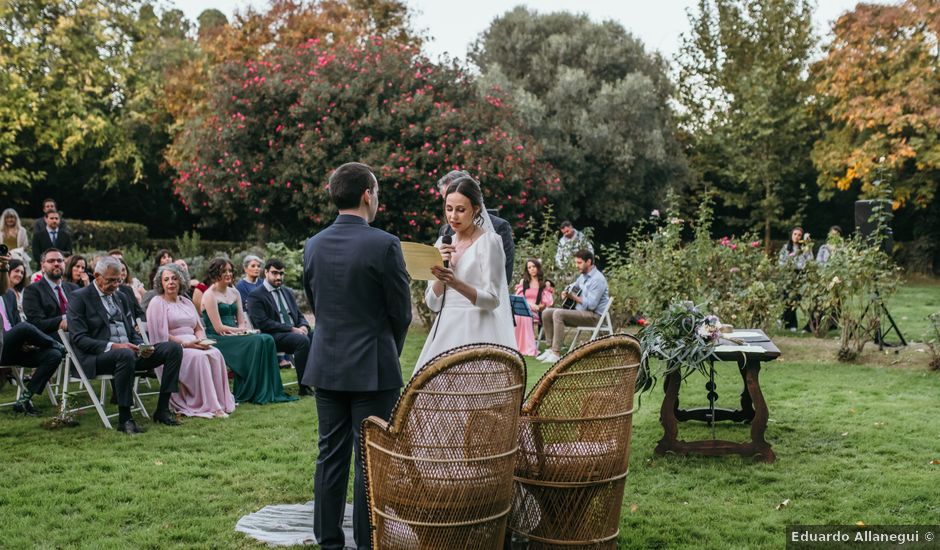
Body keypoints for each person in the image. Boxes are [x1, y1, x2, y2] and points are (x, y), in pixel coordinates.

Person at [302, 162, 412, 550]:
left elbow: (315, 304)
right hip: (372, 367)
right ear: (368, 194)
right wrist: (388, 351)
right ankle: (368, 543)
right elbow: (402, 313)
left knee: (329, 456)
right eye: (377, 192)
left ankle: (328, 542)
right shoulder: (384, 244)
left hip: (326, 364)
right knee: (370, 460)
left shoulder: (312, 244)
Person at [67, 257, 183, 434]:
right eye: (110, 281)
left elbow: (130, 333)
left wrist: (142, 345)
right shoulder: (80, 298)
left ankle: (162, 409)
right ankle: (125, 418)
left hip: (127, 353)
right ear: (96, 276)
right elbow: (79, 339)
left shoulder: (120, 296)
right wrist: (115, 347)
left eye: (118, 280)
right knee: (125, 355)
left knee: (173, 349)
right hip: (97, 358)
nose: (115, 285)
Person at [415, 174, 516, 370]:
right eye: (449, 209)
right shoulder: (442, 244)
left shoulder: (489, 242)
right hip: (446, 330)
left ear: (476, 209)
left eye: (461, 210)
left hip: (479, 329)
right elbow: (433, 303)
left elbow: (493, 300)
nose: (453, 217)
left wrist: (456, 283)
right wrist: (441, 277)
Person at [200, 257, 296, 405]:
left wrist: (244, 330)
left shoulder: (235, 293)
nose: (228, 274)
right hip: (218, 337)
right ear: (215, 273)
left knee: (266, 339)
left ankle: (268, 390)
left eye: (230, 271)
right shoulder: (209, 295)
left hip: (236, 334)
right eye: (223, 271)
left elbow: (241, 320)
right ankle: (250, 390)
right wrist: (241, 332)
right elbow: (218, 328)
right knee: (258, 340)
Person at [146, 264, 235, 418]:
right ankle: (210, 406)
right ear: (161, 283)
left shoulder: (186, 302)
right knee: (199, 358)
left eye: (174, 278)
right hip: (175, 348)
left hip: (196, 343)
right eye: (166, 279)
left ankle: (220, 401)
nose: (170, 282)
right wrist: (186, 344)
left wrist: (201, 340)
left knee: (216, 354)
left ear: (181, 281)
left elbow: (198, 328)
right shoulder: (157, 302)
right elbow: (161, 334)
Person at [436, 170, 515, 286]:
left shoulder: (499, 227)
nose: (453, 216)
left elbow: (504, 277)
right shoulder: (445, 232)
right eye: (447, 201)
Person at [247, 258, 314, 396]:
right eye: (274, 273)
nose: (278, 277)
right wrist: (291, 329)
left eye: (281, 273)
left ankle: (320, 382)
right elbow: (263, 323)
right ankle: (304, 387)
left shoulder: (287, 291)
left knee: (317, 336)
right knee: (302, 341)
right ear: (266, 272)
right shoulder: (256, 295)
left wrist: (304, 326)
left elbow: (298, 314)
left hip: (292, 332)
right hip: (272, 335)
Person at [2, 279, 66, 416]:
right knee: (25, 327)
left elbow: (15, 323)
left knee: (54, 355)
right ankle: (58, 345)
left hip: (13, 348)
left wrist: (23, 342)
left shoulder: (9, 295)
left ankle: (24, 400)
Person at [537, 249, 610, 364]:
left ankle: (556, 353)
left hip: (594, 317)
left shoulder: (598, 279)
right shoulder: (583, 276)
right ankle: (550, 349)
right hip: (580, 313)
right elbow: (573, 286)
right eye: (576, 262)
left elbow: (591, 305)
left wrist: (574, 297)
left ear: (589, 262)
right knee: (547, 312)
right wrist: (566, 291)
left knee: (558, 313)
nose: (577, 265)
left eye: (579, 263)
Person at [23, 249, 78, 338]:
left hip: (80, 335)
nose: (56, 263)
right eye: (51, 261)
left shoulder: (73, 288)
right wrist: (64, 318)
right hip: (51, 340)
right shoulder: (32, 291)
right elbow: (37, 323)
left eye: (60, 260)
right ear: (42, 266)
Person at [514, 258, 554, 356]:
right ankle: (516, 345)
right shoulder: (524, 282)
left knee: (526, 315)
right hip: (523, 308)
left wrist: (538, 307)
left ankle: (528, 347)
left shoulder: (544, 283)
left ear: (538, 267)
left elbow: (545, 303)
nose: (532, 269)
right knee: (518, 315)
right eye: (529, 267)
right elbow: (518, 297)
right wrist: (528, 305)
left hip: (536, 310)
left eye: (534, 266)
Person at [778, 226, 814, 331]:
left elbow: (810, 260)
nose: (797, 237)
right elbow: (781, 262)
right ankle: (791, 324)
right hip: (789, 275)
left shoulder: (804, 248)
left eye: (799, 235)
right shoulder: (786, 247)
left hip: (800, 275)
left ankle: (785, 321)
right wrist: (788, 267)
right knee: (788, 299)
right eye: (795, 234)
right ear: (791, 235)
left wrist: (808, 246)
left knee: (796, 299)